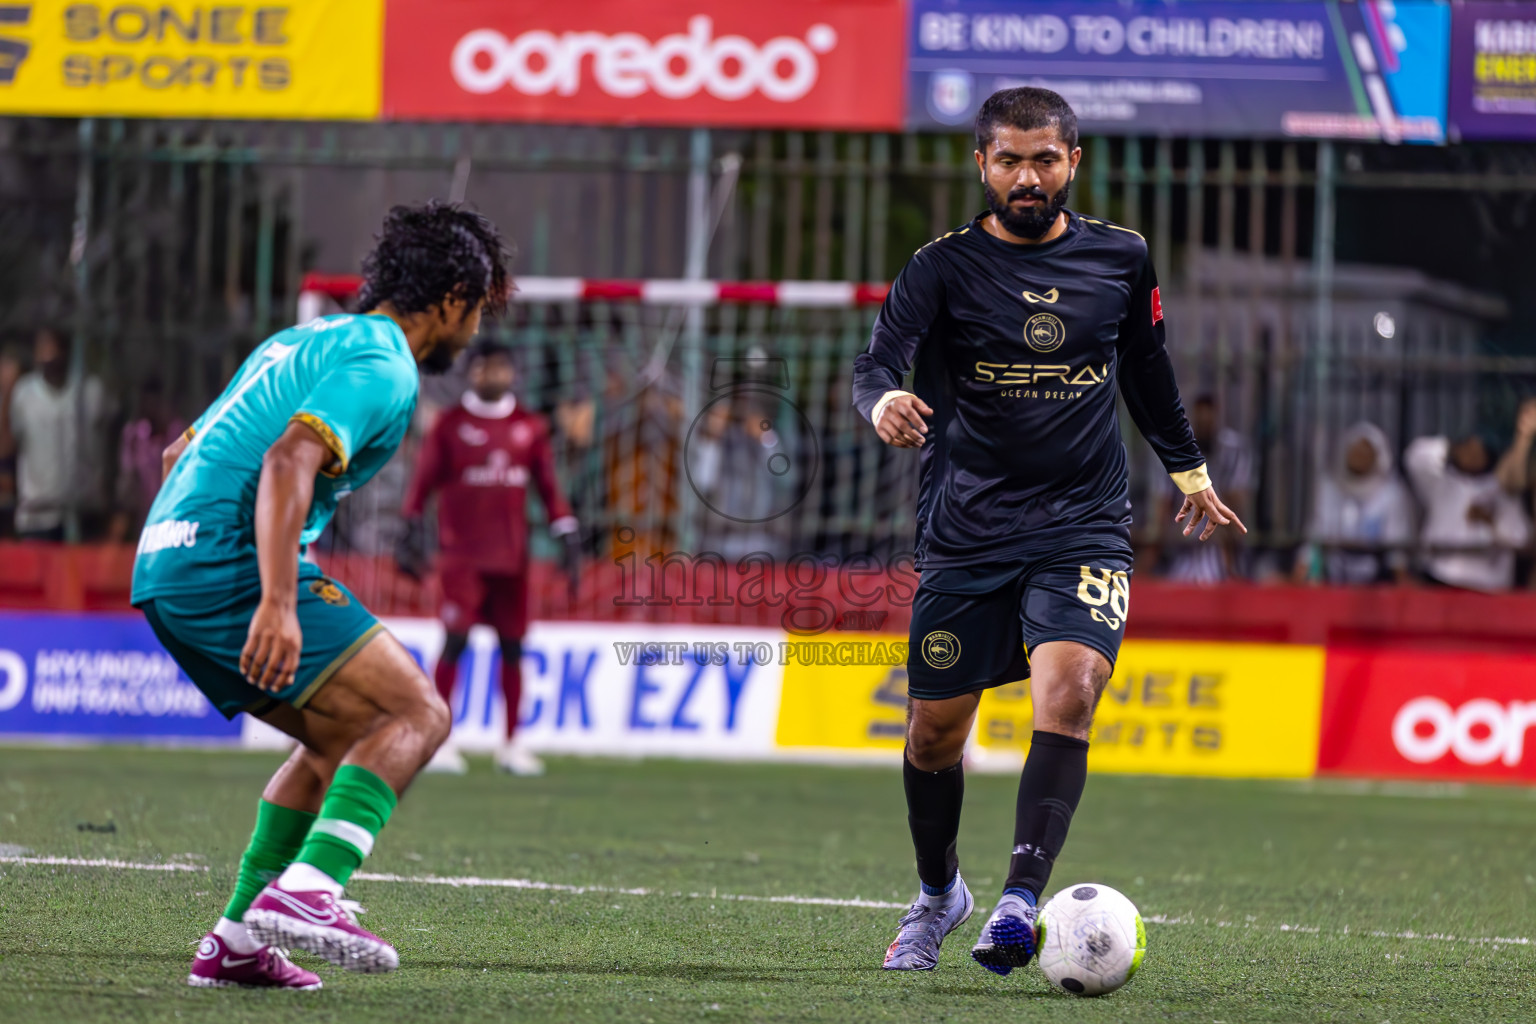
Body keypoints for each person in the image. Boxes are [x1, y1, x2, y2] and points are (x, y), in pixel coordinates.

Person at [851, 87, 1243, 976]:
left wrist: (1189, 469)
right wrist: (881, 400)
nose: (1027, 177)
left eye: (1044, 159)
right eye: (1009, 160)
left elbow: (1147, 367)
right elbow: (876, 359)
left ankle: (1020, 901)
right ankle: (937, 892)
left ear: (1074, 162)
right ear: (981, 165)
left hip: (1083, 524)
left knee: (1070, 691)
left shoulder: (1122, 258)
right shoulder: (941, 266)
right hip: (966, 531)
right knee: (932, 736)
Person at [131, 201, 511, 990]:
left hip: (165, 565)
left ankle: (236, 940)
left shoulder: (296, 342)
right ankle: (311, 892)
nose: (474, 330)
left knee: (345, 741)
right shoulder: (384, 363)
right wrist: (274, 598)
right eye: (477, 309)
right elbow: (286, 461)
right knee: (419, 714)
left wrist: (201, 556)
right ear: (450, 299)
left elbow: (179, 453)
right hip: (231, 565)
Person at [398, 338, 578, 777]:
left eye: (500, 367)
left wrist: (567, 534)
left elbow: (549, 488)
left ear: (512, 372)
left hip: (513, 558)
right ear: (470, 372)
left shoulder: (529, 427)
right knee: (455, 641)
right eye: (483, 368)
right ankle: (439, 741)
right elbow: (422, 483)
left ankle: (512, 744)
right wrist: (409, 526)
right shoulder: (450, 425)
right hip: (462, 556)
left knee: (513, 648)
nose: (492, 375)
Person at [9, 326, 110, 540]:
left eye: (54, 348)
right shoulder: (23, 394)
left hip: (84, 515)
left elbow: (108, 449)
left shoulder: (91, 391)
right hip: (37, 516)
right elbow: (10, 443)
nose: (49, 355)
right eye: (43, 348)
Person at [1293, 423, 1414, 585]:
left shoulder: (1391, 494)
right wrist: (1301, 570)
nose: (1358, 457)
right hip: (1334, 575)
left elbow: (1396, 542)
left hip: (1376, 579)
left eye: (1365, 452)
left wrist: (1401, 577)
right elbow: (1316, 531)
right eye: (1354, 451)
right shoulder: (1329, 488)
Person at [1406, 431, 1529, 591]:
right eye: (1468, 449)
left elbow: (1520, 538)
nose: (1472, 455)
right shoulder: (1441, 481)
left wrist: (1490, 521)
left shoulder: (1502, 489)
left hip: (1486, 586)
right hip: (1439, 576)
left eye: (1479, 451)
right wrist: (1452, 447)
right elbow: (1415, 458)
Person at [1149, 394, 1253, 583]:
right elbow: (1162, 507)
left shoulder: (1231, 453)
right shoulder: (1175, 452)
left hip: (1220, 552)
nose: (1205, 424)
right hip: (1182, 551)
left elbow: (1236, 504)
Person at [111, 378, 187, 541]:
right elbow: (127, 475)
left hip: (172, 513)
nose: (152, 407)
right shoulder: (133, 435)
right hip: (141, 517)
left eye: (156, 402)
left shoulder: (177, 432)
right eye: (147, 402)